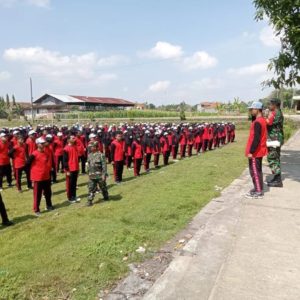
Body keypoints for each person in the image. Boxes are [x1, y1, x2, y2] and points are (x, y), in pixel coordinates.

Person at [245, 101, 268, 199]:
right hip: (259, 150)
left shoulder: (258, 122)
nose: (250, 111)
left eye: (252, 109)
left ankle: (259, 191)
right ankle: (258, 188)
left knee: (254, 171)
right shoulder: (260, 120)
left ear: (257, 109)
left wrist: (251, 151)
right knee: (257, 170)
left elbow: (256, 139)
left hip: (256, 152)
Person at [27, 137, 54, 216]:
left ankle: (49, 205)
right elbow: (27, 163)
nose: (43, 145)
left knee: (48, 193)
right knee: (37, 194)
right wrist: (33, 174)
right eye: (41, 143)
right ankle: (36, 209)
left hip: (46, 176)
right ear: (37, 144)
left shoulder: (46, 153)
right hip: (38, 178)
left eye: (43, 143)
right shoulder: (34, 154)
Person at [266, 98, 284, 187]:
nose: (269, 106)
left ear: (275, 105)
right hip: (275, 138)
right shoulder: (277, 112)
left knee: (272, 157)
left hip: (274, 139)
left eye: (270, 104)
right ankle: (277, 178)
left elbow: (268, 122)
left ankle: (278, 180)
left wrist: (261, 118)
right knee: (275, 157)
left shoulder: (275, 113)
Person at [86, 141, 108, 206]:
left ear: (95, 147)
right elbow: (88, 165)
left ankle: (105, 196)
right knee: (91, 188)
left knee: (103, 187)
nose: (90, 148)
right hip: (92, 175)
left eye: (91, 147)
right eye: (90, 147)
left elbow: (104, 166)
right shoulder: (89, 155)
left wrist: (104, 174)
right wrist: (88, 174)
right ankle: (89, 201)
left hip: (100, 175)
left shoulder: (101, 155)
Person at [63, 135, 80, 203]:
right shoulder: (66, 149)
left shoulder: (75, 147)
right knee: (70, 184)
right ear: (68, 140)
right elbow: (65, 161)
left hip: (76, 167)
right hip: (70, 169)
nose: (74, 139)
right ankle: (70, 197)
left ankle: (74, 196)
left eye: (74, 138)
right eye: (72, 138)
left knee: (74, 183)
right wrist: (67, 170)